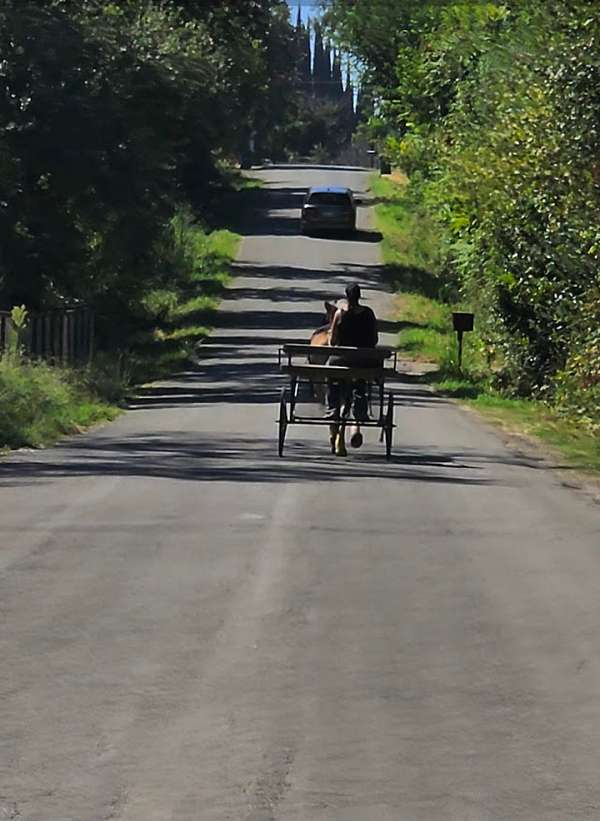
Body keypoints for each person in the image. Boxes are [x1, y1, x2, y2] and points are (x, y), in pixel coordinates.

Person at [325, 283, 378, 421]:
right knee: (361, 378)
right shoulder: (368, 313)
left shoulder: (339, 314)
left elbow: (333, 340)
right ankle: (360, 409)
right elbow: (374, 339)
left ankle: (333, 406)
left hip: (342, 359)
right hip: (365, 360)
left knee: (330, 371)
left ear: (347, 297)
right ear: (359, 296)